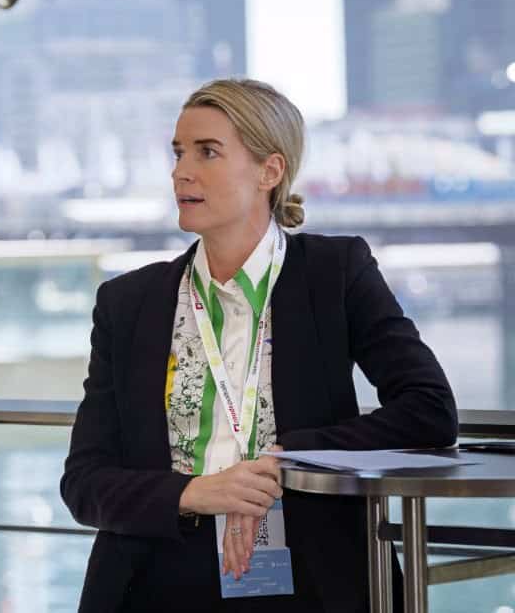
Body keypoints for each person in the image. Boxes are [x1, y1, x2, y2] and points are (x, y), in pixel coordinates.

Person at [60, 78, 458, 613]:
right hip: (154, 575)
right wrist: (195, 492)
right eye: (178, 152)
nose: (181, 171)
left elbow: (429, 411)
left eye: (207, 152)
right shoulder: (128, 302)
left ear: (269, 172)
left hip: (310, 571)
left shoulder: (335, 273)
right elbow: (84, 482)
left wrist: (285, 459)